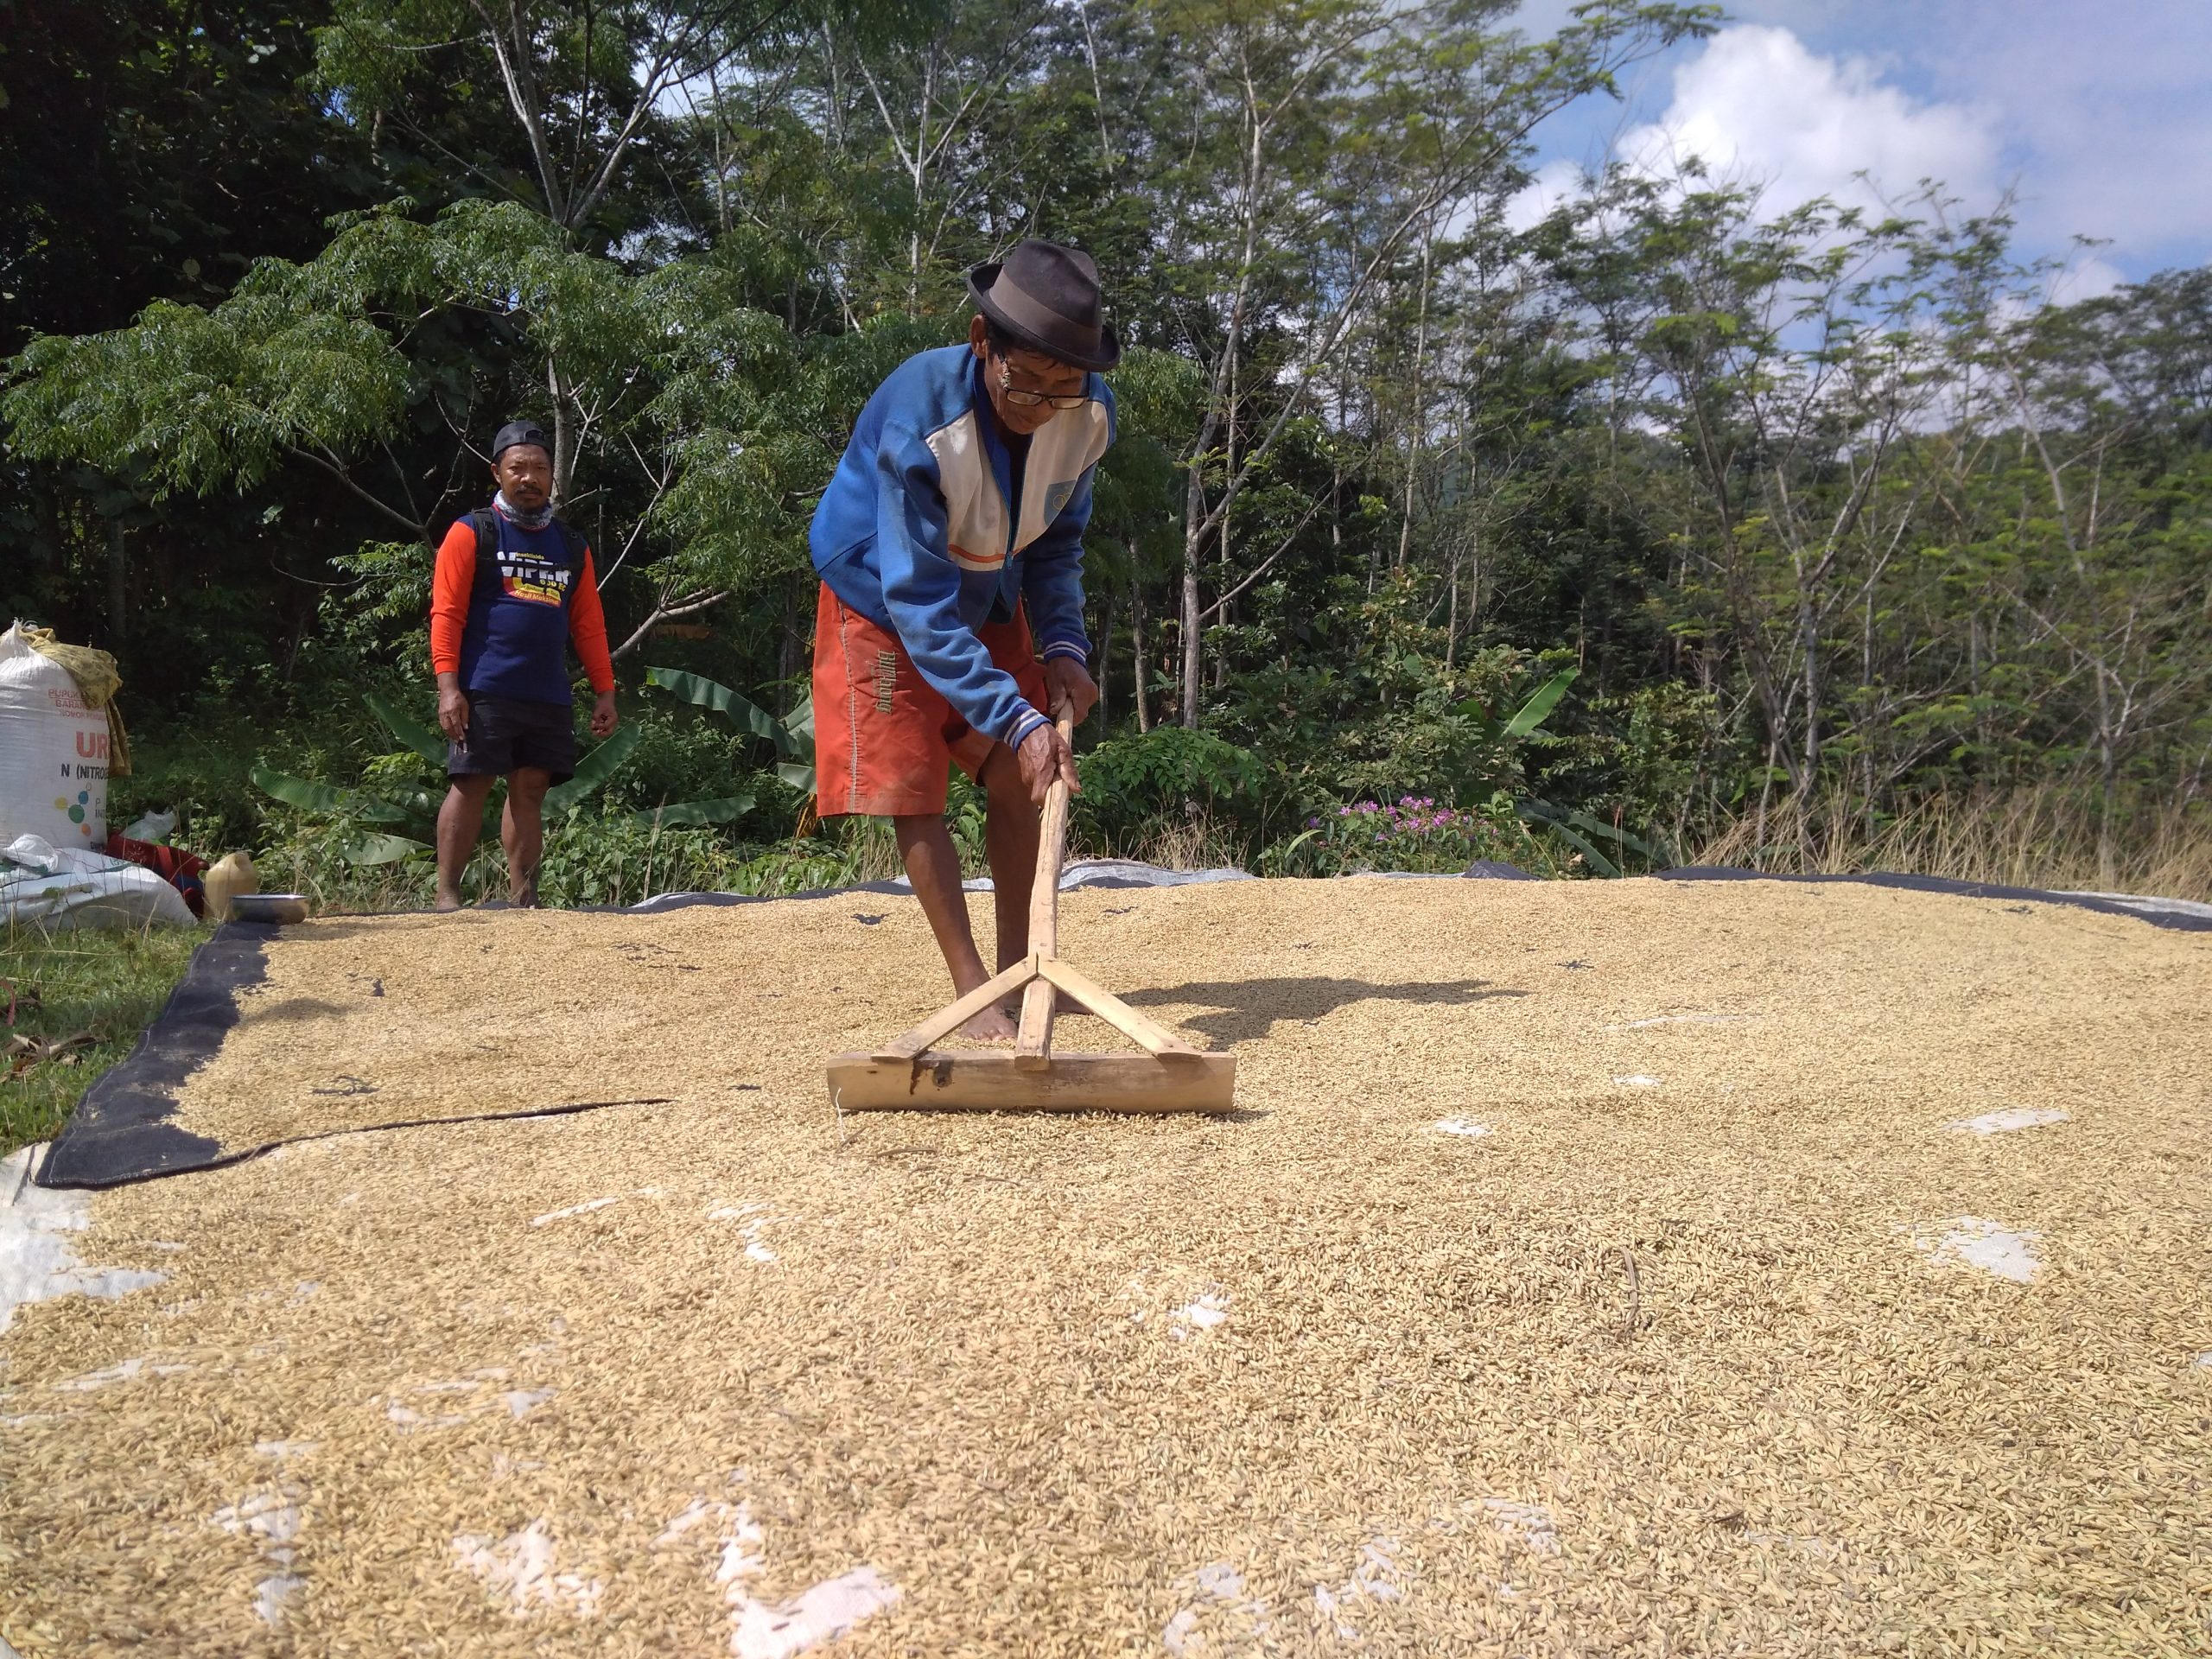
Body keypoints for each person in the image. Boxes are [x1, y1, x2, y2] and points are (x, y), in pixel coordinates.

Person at [810, 239, 1118, 1039]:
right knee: (913, 787)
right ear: (984, 343)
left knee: (1029, 777)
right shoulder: (922, 416)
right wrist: (1014, 717)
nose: (1041, 405)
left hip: (989, 581)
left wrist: (1063, 648)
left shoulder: (1087, 418)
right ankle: (973, 985)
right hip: (880, 592)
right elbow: (916, 599)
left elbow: (1057, 541)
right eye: (1027, 382)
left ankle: (1024, 969)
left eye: (1064, 388)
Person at [429, 421, 618, 910]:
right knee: (472, 782)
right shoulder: (473, 532)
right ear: (498, 472)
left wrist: (605, 691)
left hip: (548, 691)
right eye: (518, 468)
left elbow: (589, 624)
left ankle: (523, 899)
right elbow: (446, 613)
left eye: (539, 468)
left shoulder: (572, 546)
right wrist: (448, 688)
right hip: (484, 686)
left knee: (531, 790)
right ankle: (447, 895)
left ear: (552, 476)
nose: (529, 477)